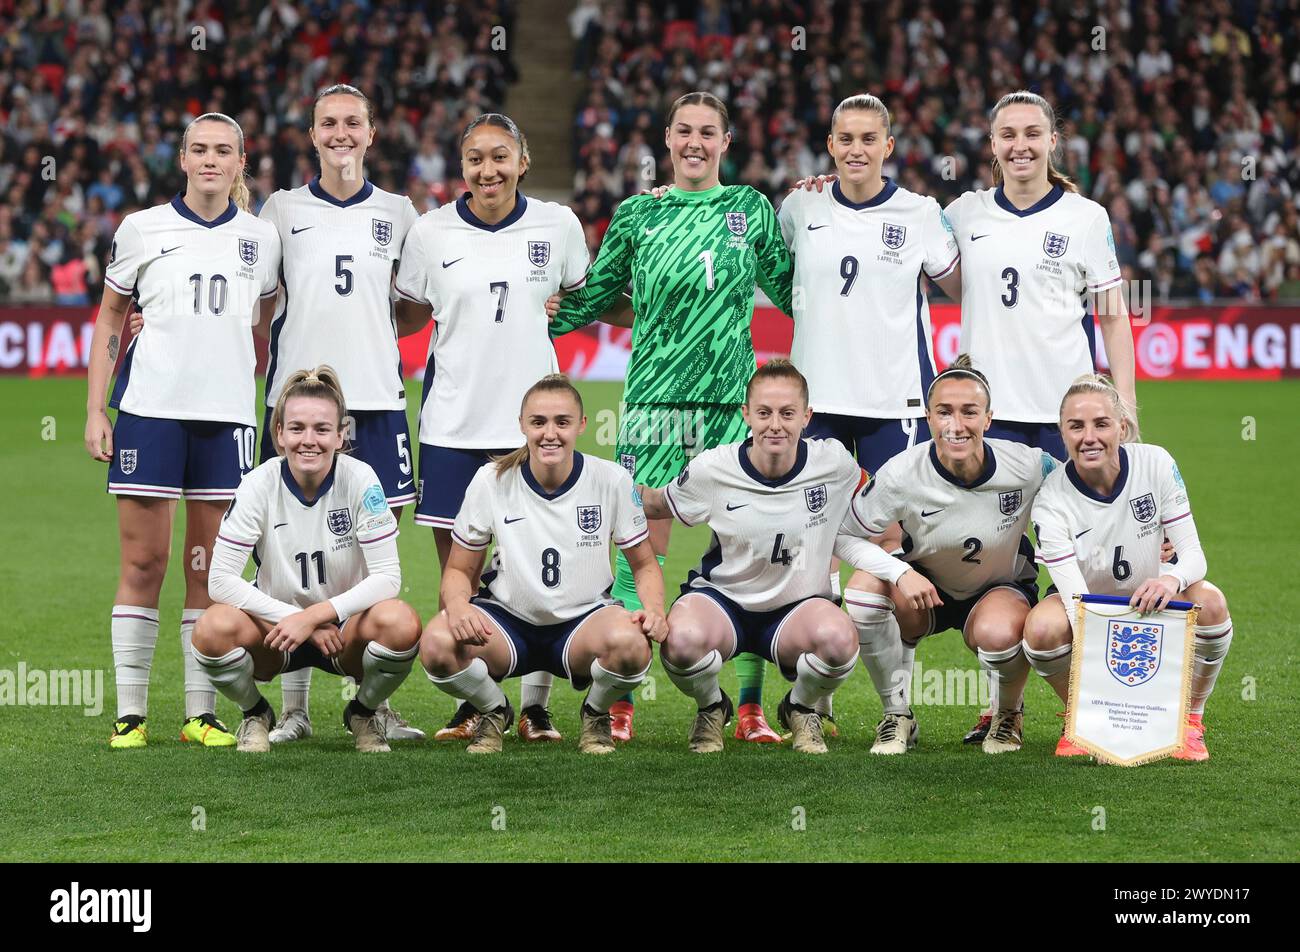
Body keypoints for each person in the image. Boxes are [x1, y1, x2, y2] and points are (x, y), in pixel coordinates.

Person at [549, 90, 795, 744]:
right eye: (683, 131)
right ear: (667, 139)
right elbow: (598, 295)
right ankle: (621, 698)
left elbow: (798, 289)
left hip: (733, 408)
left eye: (707, 132)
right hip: (654, 406)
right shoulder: (636, 214)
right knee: (637, 554)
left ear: (725, 141)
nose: (694, 142)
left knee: (749, 559)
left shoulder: (749, 209)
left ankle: (746, 707)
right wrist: (532, 307)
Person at [944, 90, 1138, 745]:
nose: (1020, 145)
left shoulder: (1087, 217)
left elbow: (1114, 316)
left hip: (1066, 425)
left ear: (1053, 142)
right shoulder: (962, 214)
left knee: (1080, 564)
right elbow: (889, 229)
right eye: (1008, 135)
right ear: (991, 145)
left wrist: (1125, 407)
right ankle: (1007, 707)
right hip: (987, 427)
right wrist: (831, 189)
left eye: (1032, 133)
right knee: (996, 571)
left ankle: (1103, 700)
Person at [85, 112, 280, 749]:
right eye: (199, 149)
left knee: (207, 568)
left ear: (240, 163)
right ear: (183, 158)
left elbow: (268, 319)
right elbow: (111, 317)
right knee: (144, 561)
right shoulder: (142, 229)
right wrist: (95, 411)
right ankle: (131, 715)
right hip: (150, 414)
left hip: (227, 419)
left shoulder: (261, 237)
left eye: (224, 151)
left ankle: (200, 714)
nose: (210, 160)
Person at [395, 113, 590, 745]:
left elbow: (585, 299)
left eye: (500, 156)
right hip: (452, 421)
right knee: (460, 565)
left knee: (530, 567)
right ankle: (479, 700)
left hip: (534, 427)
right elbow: (406, 310)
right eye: (476, 158)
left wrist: (556, 309)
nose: (489, 169)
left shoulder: (557, 225)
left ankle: (534, 706)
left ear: (522, 161)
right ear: (462, 167)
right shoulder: (430, 232)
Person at [780, 93, 963, 731]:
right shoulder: (799, 206)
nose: (856, 149)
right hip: (817, 403)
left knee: (887, 550)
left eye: (869, 139)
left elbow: (962, 285)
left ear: (889, 147)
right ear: (829, 147)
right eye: (845, 139)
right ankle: (816, 699)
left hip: (898, 404)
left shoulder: (920, 212)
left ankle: (897, 708)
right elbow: (774, 278)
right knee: (816, 548)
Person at [257, 83, 423, 745]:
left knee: (374, 551)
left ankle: (368, 702)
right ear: (314, 132)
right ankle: (293, 707)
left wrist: (373, 335)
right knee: (287, 549)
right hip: (295, 405)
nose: (341, 133)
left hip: (377, 402)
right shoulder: (280, 209)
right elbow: (260, 301)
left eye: (353, 121)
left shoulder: (401, 212)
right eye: (329, 122)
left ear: (371, 132)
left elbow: (413, 307)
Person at [418, 375, 666, 754]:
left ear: (582, 425)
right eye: (538, 422)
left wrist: (654, 610)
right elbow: (458, 570)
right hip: (506, 621)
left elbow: (645, 564)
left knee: (633, 646)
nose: (550, 434)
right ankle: (494, 710)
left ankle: (596, 714)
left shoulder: (612, 479)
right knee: (436, 643)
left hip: (582, 621)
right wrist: (456, 606)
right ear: (522, 425)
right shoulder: (491, 480)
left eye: (562, 422)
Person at [638, 361, 872, 754]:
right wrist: (607, 490)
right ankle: (712, 707)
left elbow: (879, 499)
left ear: (807, 417)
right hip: (724, 601)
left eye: (787, 413)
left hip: (797, 609)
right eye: (763, 413)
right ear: (746, 414)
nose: (775, 425)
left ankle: (799, 707)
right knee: (680, 642)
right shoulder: (714, 468)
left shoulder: (834, 464)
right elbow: (659, 504)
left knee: (840, 640)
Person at [194, 366, 422, 753]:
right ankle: (257, 712)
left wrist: (316, 617)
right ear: (279, 434)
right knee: (211, 629)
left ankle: (363, 713)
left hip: (343, 632)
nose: (308, 440)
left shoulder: (362, 479)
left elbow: (388, 577)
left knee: (400, 622)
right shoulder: (257, 484)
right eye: (296, 428)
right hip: (275, 633)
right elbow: (219, 580)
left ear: (340, 434)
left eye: (321, 429)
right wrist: (295, 619)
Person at [837, 355, 1057, 755]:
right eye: (944, 412)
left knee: (997, 634)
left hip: (998, 589)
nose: (957, 425)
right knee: (863, 595)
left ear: (988, 418)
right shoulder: (902, 473)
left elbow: (1082, 492)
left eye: (969, 412)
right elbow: (843, 536)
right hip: (925, 589)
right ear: (928, 417)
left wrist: (1159, 533)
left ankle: (1007, 714)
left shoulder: (1028, 465)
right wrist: (898, 572)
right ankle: (896, 714)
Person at [1025, 375, 1231, 761]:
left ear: (1122, 426)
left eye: (1101, 423)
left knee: (1212, 604)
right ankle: (1081, 719)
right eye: (1076, 426)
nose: (1089, 437)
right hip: (1084, 604)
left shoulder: (1156, 462)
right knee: (1040, 628)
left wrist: (1170, 579)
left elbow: (1193, 556)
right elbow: (1074, 603)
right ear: (1062, 433)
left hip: (1153, 598)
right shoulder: (1051, 499)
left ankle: (1189, 721)